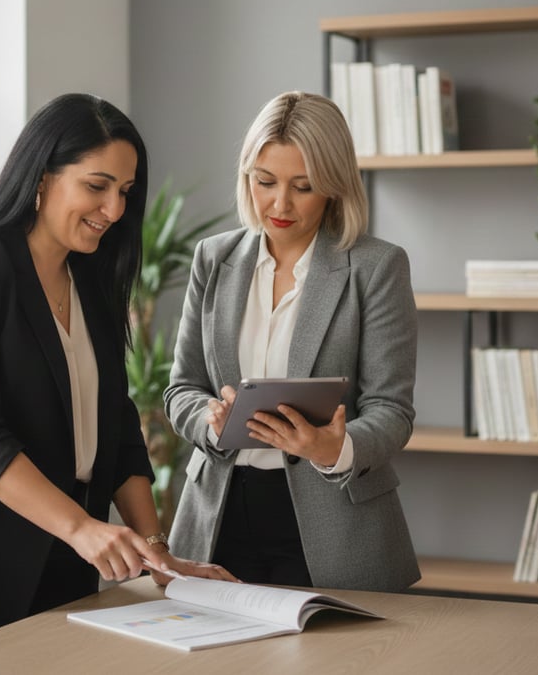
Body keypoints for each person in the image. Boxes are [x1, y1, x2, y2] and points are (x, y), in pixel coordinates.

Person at [0, 93, 233, 659]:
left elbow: (118, 425)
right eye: (96, 186)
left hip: (58, 567)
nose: (114, 209)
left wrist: (160, 553)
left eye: (125, 193)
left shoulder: (92, 281)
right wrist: (82, 528)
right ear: (41, 177)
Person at [164, 91, 420, 591]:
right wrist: (213, 421)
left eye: (303, 187)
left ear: (334, 187)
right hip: (219, 516)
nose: (279, 204)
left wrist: (334, 447)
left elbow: (392, 409)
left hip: (334, 525)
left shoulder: (376, 267)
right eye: (265, 182)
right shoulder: (212, 259)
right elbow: (181, 390)